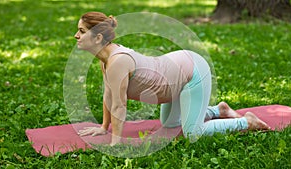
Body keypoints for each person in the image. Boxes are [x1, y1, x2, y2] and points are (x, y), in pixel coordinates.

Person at [75, 12, 270, 146]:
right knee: (169, 124)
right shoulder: (105, 60)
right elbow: (109, 95)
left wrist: (115, 142)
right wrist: (103, 127)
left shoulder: (117, 61)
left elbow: (119, 105)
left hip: (192, 72)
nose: (76, 36)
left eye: (82, 31)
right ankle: (219, 110)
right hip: (173, 78)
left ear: (98, 38)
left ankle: (247, 123)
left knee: (193, 133)